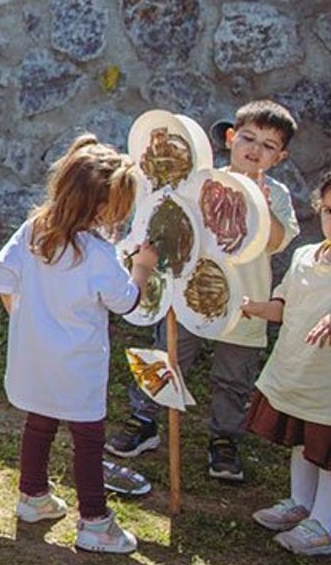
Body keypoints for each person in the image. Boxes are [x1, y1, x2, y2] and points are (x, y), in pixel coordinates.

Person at [107, 100, 300, 482]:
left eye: (268, 145)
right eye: (248, 138)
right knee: (168, 357)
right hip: (190, 293)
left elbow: (277, 241)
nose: (255, 149)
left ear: (280, 157)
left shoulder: (276, 194)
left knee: (233, 378)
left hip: (244, 305)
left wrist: (261, 207)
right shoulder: (200, 181)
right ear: (230, 138)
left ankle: (224, 440)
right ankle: (144, 420)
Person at [0, 134, 157, 554]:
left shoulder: (34, 230)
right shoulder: (99, 254)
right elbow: (127, 302)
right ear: (102, 208)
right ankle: (95, 522)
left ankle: (33, 497)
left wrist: (28, 322)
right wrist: (142, 267)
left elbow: (2, 278)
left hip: (34, 357)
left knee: (39, 423)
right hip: (78, 365)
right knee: (88, 439)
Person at [243, 169, 331, 556]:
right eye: (329, 210)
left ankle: (324, 524)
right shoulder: (304, 256)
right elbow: (283, 305)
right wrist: (254, 307)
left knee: (327, 451)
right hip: (297, 369)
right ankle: (301, 502)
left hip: (328, 383)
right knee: (303, 440)